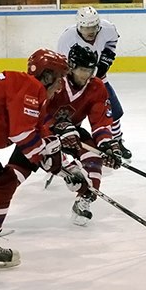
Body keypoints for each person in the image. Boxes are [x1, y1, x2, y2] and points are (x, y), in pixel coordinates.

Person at [0, 49, 75, 290]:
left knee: (1, 185)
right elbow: (22, 135)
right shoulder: (29, 87)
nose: (60, 86)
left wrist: (66, 165)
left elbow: (40, 131)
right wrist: (48, 159)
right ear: (47, 76)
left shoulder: (32, 93)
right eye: (58, 79)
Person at [45, 43, 123, 226]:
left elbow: (100, 121)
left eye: (90, 70)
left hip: (72, 130)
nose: (86, 75)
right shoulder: (56, 81)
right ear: (71, 66)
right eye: (82, 70)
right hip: (43, 132)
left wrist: (107, 145)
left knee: (94, 156)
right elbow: (37, 110)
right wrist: (55, 126)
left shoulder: (96, 87)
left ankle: (84, 200)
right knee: (19, 170)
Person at [57, 6, 132, 160]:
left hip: (97, 78)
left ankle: (115, 141)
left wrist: (106, 58)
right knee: (68, 114)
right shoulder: (67, 38)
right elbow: (62, 65)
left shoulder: (107, 28)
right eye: (86, 28)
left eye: (93, 27)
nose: (90, 31)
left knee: (114, 112)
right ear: (79, 26)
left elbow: (112, 40)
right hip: (76, 81)